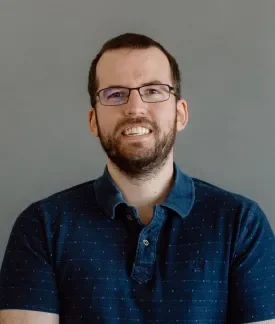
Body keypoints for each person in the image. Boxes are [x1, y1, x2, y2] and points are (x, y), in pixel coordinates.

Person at [0, 33, 274, 324]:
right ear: (93, 120)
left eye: (154, 91)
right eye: (115, 93)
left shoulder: (241, 224)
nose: (134, 108)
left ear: (180, 114)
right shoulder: (43, 226)